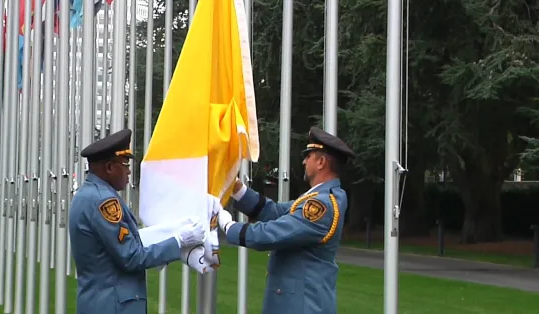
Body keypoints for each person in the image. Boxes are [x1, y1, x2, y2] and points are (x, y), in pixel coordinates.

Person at [217, 126, 353, 314]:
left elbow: (270, 235)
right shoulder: (317, 197)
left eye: (309, 156)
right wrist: (235, 187)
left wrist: (227, 225)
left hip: (303, 306)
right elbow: (274, 212)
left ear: (321, 162)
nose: (304, 162)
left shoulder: (321, 206)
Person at [68, 128, 206, 314]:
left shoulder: (89, 195)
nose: (129, 171)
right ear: (109, 168)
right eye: (124, 164)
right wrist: (179, 241)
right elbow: (131, 257)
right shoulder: (103, 201)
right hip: (112, 305)